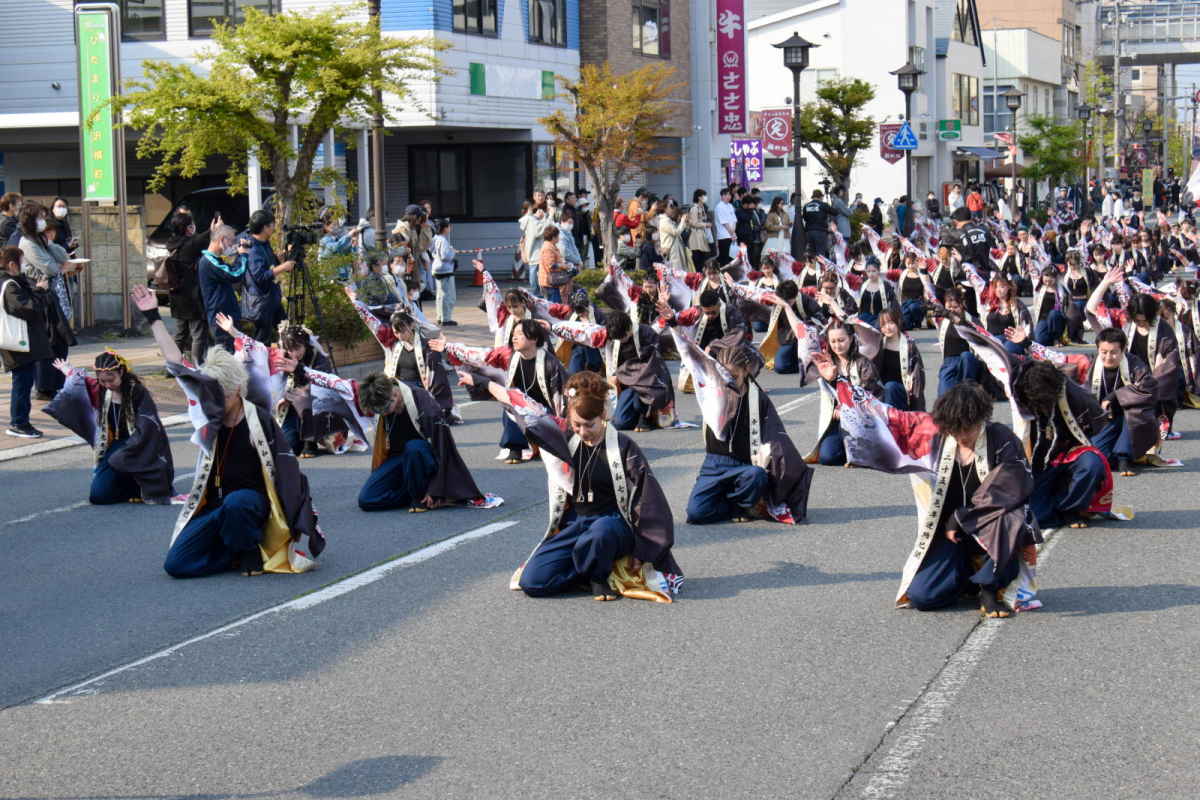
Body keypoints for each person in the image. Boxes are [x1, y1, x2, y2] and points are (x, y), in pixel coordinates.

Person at [132, 284, 325, 578]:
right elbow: (175, 364)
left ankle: (249, 547)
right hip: (218, 505)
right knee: (176, 565)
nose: (214, 403)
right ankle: (235, 550)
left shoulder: (258, 419)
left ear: (237, 389)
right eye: (210, 395)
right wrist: (152, 315)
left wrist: (300, 522)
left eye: (220, 395)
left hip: (253, 504)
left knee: (239, 503)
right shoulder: (207, 415)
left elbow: (288, 470)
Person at [473, 370, 681, 602]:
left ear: (603, 415)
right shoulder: (564, 437)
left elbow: (648, 498)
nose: (583, 432)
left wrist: (644, 550)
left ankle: (597, 577)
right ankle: (587, 567)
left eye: (590, 425)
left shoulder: (623, 446)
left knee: (600, 534)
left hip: (613, 524)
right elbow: (520, 404)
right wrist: (482, 381)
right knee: (533, 582)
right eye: (577, 425)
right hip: (577, 521)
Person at [887, 381, 1040, 616]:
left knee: (1013, 518)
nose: (961, 436)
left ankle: (990, 587)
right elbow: (887, 423)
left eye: (967, 428)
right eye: (954, 429)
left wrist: (963, 514)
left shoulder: (1001, 438)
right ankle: (968, 579)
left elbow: (1011, 488)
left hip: (990, 526)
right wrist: (834, 382)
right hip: (951, 533)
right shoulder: (937, 440)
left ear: (981, 419)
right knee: (923, 597)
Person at [680, 341, 813, 525]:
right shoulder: (712, 394)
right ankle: (732, 502)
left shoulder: (758, 399)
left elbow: (775, 436)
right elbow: (692, 358)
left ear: (746, 371)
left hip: (745, 466)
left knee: (758, 475)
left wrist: (779, 461)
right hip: (715, 463)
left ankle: (740, 504)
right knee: (696, 514)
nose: (729, 382)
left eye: (734, 376)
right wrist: (674, 325)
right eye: (723, 376)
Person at [47, 349, 175, 504]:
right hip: (115, 445)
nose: (107, 385)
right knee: (98, 496)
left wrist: (129, 449)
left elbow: (148, 425)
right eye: (102, 381)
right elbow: (80, 380)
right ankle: (134, 488)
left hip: (140, 444)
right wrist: (65, 368)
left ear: (121, 371)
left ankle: (141, 486)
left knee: (120, 459)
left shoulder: (137, 392)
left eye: (111, 379)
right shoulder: (101, 390)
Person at [353, 372, 488, 513]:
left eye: (385, 408)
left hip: (424, 459)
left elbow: (444, 448)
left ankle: (418, 495)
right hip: (398, 458)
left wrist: (435, 489)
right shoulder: (384, 403)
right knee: (366, 500)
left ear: (394, 394)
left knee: (414, 447)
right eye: (377, 411)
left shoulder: (425, 406)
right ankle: (412, 492)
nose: (383, 413)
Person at [444, 318, 567, 465]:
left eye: (520, 333)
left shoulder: (550, 363)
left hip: (545, 410)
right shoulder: (510, 356)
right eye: (513, 333)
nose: (514, 337)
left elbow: (562, 396)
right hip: (519, 402)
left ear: (534, 338)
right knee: (510, 402)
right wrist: (447, 347)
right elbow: (481, 355)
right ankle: (514, 447)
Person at [1013, 360, 1112, 530]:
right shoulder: (1023, 391)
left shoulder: (1074, 395)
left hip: (1069, 450)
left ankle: (1071, 508)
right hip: (1039, 460)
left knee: (1092, 465)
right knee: (1036, 519)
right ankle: (1058, 496)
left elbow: (1094, 422)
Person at [16, 203, 75, 400]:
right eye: (39, 218)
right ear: (29, 221)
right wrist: (56, 262)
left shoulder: (40, 241)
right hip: (41, 295)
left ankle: (55, 384)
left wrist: (49, 244)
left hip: (53, 293)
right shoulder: (28, 244)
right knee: (50, 339)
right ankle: (45, 386)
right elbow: (51, 268)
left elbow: (62, 256)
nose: (42, 221)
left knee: (59, 340)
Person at [1084, 327, 1161, 476]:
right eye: (1104, 352)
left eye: (1114, 352)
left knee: (1133, 410)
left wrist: (1114, 396)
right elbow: (1060, 361)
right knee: (1098, 457)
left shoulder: (1135, 364)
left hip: (1133, 417)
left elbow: (1149, 389)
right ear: (1098, 349)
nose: (1108, 357)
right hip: (1105, 418)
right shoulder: (1090, 363)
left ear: (1123, 350)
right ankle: (1125, 453)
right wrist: (1027, 343)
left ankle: (1124, 457)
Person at [805, 321, 883, 466]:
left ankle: (859, 448)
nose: (837, 345)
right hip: (837, 421)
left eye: (841, 340)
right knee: (827, 457)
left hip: (862, 420)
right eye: (833, 341)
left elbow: (872, 396)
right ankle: (849, 449)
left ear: (851, 339)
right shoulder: (827, 362)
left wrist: (847, 408)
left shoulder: (863, 363)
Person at [2, 245, 51, 438]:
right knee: (22, 382)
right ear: (11, 264)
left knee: (22, 381)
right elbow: (27, 309)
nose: (23, 266)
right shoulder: (9, 285)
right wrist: (39, 291)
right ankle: (19, 423)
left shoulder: (12, 283)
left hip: (18, 341)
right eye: (21, 262)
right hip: (18, 342)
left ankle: (20, 421)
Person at [165, 211, 214, 366]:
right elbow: (204, 241)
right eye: (192, 225)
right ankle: (196, 366)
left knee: (179, 335)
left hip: (176, 295)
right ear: (188, 228)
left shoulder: (172, 242)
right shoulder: (190, 245)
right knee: (198, 335)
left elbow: (198, 239)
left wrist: (207, 230)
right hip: (191, 296)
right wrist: (213, 229)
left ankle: (172, 367)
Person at [856, 306, 926, 411]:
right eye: (883, 324)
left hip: (902, 393)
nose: (887, 327)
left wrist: (917, 407)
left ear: (898, 322)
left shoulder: (909, 347)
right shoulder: (877, 345)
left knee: (890, 387)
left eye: (891, 323)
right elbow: (858, 326)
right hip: (881, 394)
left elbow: (917, 378)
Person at [242, 210, 294, 344]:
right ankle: (260, 365)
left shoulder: (264, 244)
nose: (274, 228)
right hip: (262, 302)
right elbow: (259, 276)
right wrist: (283, 267)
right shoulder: (253, 249)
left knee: (286, 331)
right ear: (265, 228)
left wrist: (284, 253)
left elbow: (270, 264)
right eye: (272, 225)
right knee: (262, 341)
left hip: (272, 298)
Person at [198, 224, 251, 353]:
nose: (233, 244)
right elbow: (235, 274)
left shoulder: (215, 260)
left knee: (237, 357)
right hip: (222, 318)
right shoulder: (209, 261)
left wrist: (238, 255)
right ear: (222, 239)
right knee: (228, 359)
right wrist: (244, 255)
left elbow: (229, 270)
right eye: (232, 240)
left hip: (227, 316)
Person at [760, 280, 825, 374]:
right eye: (783, 301)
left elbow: (821, 324)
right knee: (780, 367)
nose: (786, 303)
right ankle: (801, 364)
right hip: (789, 340)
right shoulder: (778, 302)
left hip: (808, 340)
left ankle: (810, 364)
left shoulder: (807, 302)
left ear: (796, 295)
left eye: (789, 301)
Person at [393, 205, 433, 300]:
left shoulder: (413, 228)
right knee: (407, 297)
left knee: (415, 296)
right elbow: (397, 248)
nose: (421, 219)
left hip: (413, 266)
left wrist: (425, 228)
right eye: (419, 216)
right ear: (414, 216)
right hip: (404, 269)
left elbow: (422, 247)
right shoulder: (402, 228)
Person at [428, 218, 457, 326]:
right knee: (448, 295)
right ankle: (446, 318)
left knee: (440, 295)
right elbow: (445, 255)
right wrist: (452, 253)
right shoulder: (443, 240)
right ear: (445, 229)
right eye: (449, 227)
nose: (450, 229)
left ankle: (440, 317)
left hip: (436, 268)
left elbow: (431, 250)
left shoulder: (434, 238)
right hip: (445, 269)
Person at [897, 252, 930, 331]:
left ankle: (918, 322)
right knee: (904, 326)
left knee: (913, 307)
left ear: (916, 263)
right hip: (906, 303)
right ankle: (910, 321)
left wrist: (924, 269)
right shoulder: (903, 275)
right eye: (908, 263)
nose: (910, 266)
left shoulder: (922, 274)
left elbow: (927, 285)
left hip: (920, 302)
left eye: (912, 263)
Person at [657, 204, 691, 271]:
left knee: (679, 271)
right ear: (665, 209)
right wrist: (683, 222)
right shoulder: (665, 221)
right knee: (675, 271)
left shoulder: (667, 220)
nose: (670, 209)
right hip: (671, 250)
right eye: (669, 208)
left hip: (675, 249)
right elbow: (676, 232)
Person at [687, 189, 714, 271]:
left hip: (701, 234)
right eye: (704, 196)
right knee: (696, 257)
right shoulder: (694, 208)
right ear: (699, 197)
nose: (705, 197)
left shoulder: (701, 208)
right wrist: (705, 225)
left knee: (702, 257)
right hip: (696, 235)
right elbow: (694, 223)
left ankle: (699, 274)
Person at [802, 190, 834, 257]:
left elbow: (804, 218)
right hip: (820, 231)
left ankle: (812, 266)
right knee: (820, 253)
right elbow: (835, 212)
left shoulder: (806, 206)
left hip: (809, 232)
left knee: (811, 252)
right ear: (820, 197)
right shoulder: (823, 205)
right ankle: (819, 267)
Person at [714, 187, 738, 265]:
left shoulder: (730, 206)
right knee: (724, 257)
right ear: (721, 196)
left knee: (732, 257)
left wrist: (733, 232)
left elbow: (734, 219)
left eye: (729, 195)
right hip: (724, 235)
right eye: (726, 195)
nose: (728, 197)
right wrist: (731, 232)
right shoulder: (719, 206)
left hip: (732, 235)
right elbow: (724, 222)